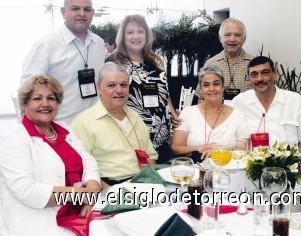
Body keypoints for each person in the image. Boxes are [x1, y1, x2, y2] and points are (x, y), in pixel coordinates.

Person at [0, 74, 101, 235]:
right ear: (24, 104)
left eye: (51, 98)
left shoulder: (65, 129)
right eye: (37, 98)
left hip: (78, 213)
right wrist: (79, 195)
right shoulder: (14, 139)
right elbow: (27, 191)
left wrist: (92, 188)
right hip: (38, 225)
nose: (45, 104)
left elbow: (89, 161)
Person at [21, 0, 106, 124]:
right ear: (63, 11)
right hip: (60, 126)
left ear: (93, 13)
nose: (82, 13)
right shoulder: (46, 44)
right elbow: (26, 89)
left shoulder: (99, 43)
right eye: (75, 8)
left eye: (87, 9)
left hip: (94, 125)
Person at [71, 63, 158, 189]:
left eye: (123, 85)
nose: (119, 90)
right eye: (112, 85)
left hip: (143, 184)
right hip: (109, 188)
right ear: (99, 87)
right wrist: (111, 194)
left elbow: (150, 156)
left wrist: (152, 184)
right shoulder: (82, 123)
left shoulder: (136, 118)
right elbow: (81, 170)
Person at [106, 14, 178, 163]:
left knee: (163, 180)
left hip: (161, 133)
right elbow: (107, 97)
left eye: (140, 31)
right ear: (123, 36)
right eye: (130, 32)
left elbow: (164, 91)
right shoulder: (114, 62)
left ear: (147, 35)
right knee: (138, 182)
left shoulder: (157, 60)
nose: (135, 36)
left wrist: (173, 113)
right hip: (132, 134)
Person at [233, 55, 301, 155]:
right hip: (251, 167)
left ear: (275, 74)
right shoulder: (239, 102)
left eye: (265, 73)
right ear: (248, 78)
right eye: (254, 75)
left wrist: (297, 166)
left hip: (287, 167)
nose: (259, 79)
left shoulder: (295, 100)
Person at [172, 65, 249, 162]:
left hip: (228, 169)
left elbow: (244, 146)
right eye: (206, 85)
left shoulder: (237, 114)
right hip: (194, 170)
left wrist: (221, 152)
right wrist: (202, 147)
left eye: (216, 84)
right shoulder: (188, 113)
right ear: (200, 88)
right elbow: (175, 148)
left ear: (223, 86)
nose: (211, 89)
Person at [195, 18, 254, 101]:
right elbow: (202, 98)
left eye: (237, 35)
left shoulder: (254, 64)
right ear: (220, 38)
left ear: (244, 39)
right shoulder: (211, 64)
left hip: (246, 113)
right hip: (218, 113)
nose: (232, 39)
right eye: (227, 35)